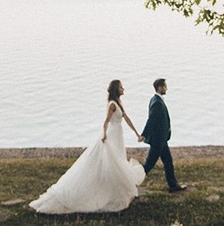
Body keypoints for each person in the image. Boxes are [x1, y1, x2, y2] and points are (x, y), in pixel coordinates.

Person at [29, 80, 146, 214]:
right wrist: (104, 135)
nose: (123, 89)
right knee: (113, 161)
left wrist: (137, 133)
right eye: (120, 87)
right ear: (115, 89)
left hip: (119, 135)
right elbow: (106, 121)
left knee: (118, 160)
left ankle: (116, 189)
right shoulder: (112, 105)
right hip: (112, 135)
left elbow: (126, 119)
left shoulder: (119, 103)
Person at [141, 78, 188, 192]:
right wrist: (144, 134)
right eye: (165, 86)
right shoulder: (157, 102)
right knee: (148, 165)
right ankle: (131, 181)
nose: (166, 88)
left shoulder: (155, 100)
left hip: (162, 139)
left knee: (168, 161)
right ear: (160, 88)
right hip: (158, 140)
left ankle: (173, 185)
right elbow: (151, 120)